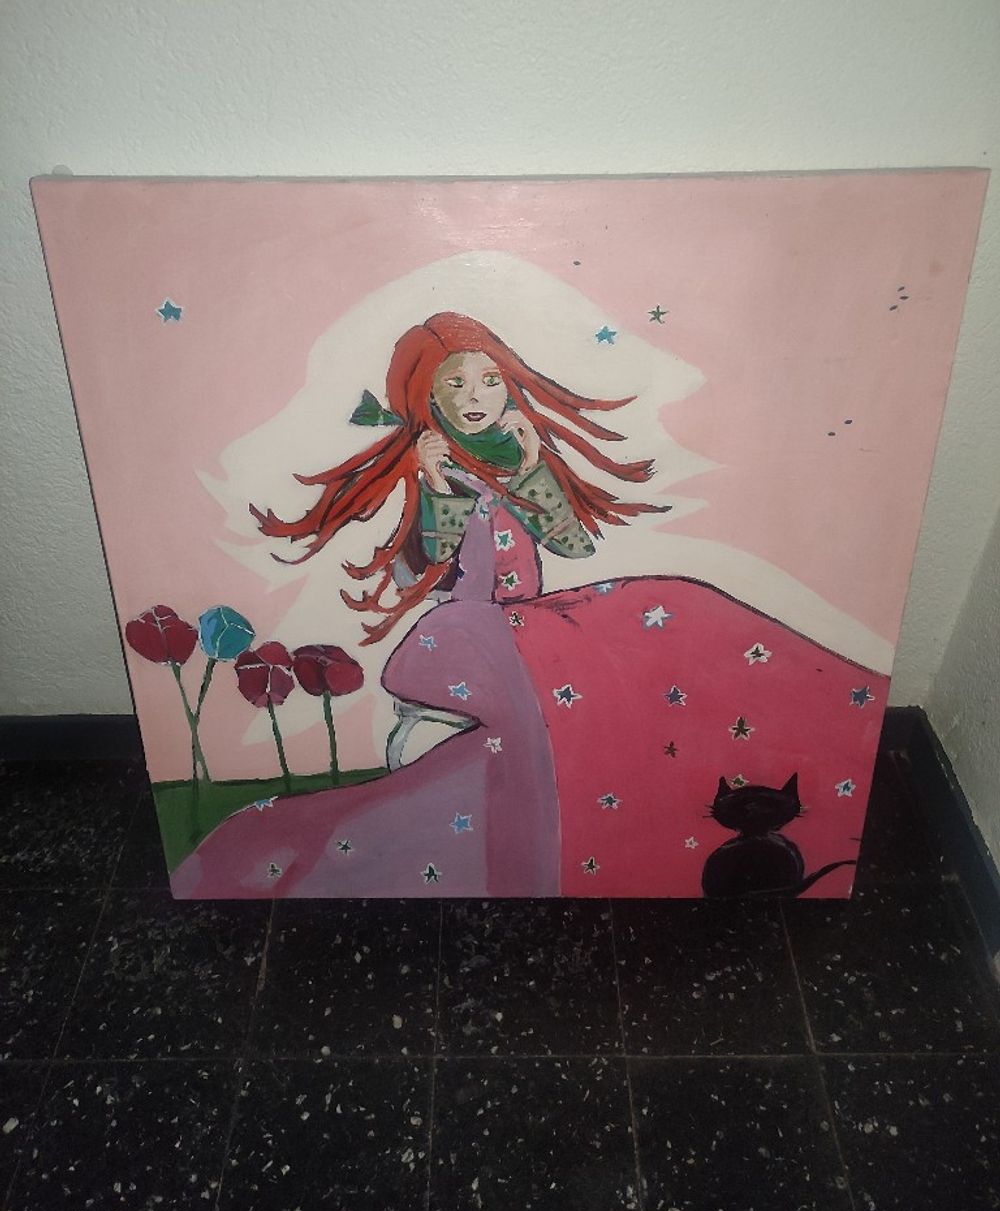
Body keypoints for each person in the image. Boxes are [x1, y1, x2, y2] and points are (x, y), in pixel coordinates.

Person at [172, 313, 885, 901]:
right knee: (633, 629)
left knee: (670, 605)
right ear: (429, 397)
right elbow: (427, 566)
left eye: (489, 379)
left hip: (538, 625)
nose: (476, 396)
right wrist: (437, 486)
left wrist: (536, 466)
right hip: (467, 631)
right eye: (456, 384)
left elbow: (572, 545)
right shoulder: (432, 468)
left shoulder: (516, 459)